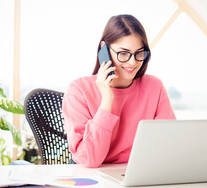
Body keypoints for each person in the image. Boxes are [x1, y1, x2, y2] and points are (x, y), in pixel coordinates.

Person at [62, 14, 176, 168]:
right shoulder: (78, 90)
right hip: (93, 178)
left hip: (138, 173)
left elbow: (169, 146)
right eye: (123, 53)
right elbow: (90, 159)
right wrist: (107, 100)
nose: (132, 62)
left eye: (139, 53)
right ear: (105, 50)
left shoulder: (154, 87)